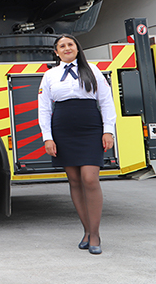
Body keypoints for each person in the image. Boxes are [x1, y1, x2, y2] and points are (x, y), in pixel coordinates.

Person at [37, 34, 116, 255]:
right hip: (63, 130)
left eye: (70, 44)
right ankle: (87, 231)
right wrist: (47, 137)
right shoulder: (49, 75)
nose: (67, 48)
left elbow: (106, 101)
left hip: (90, 128)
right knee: (74, 180)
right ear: (56, 52)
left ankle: (95, 234)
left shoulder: (93, 70)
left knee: (89, 178)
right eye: (62, 46)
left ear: (77, 48)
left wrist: (108, 131)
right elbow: (44, 108)